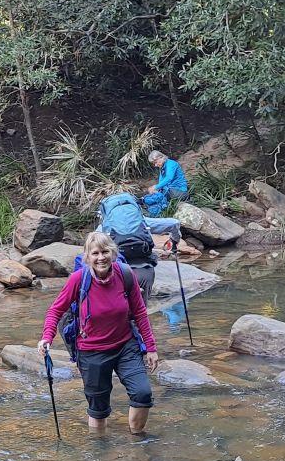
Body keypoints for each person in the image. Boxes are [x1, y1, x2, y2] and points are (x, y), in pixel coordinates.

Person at [38, 231, 159, 435]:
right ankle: (100, 449)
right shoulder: (78, 279)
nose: (101, 258)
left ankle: (137, 441)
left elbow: (139, 312)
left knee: (142, 393)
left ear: (113, 253)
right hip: (91, 352)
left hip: (125, 346)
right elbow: (55, 310)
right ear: (87, 257)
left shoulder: (125, 274)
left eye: (105, 252)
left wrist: (151, 348)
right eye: (95, 253)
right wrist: (47, 337)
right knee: (98, 409)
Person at [143, 150, 189, 218]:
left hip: (180, 191)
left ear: (160, 157)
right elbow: (161, 182)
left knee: (162, 194)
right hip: (170, 190)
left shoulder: (171, 164)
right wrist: (155, 190)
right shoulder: (163, 167)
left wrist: (156, 187)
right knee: (155, 194)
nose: (155, 165)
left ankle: (155, 212)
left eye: (155, 162)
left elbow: (169, 178)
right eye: (154, 163)